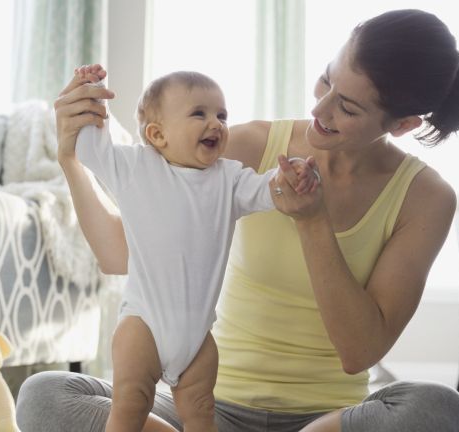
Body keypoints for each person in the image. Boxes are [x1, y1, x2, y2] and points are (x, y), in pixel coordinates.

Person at [17, 8, 459, 432]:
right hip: (206, 406)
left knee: (438, 412)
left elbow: (358, 352)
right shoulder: (246, 146)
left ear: (402, 125)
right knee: (45, 396)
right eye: (326, 80)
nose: (318, 110)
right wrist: (71, 161)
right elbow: (118, 254)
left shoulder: (424, 198)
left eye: (346, 107)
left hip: (326, 420)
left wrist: (312, 221)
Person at [72, 68, 318, 432]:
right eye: (199, 114)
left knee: (202, 410)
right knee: (130, 404)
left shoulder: (229, 178)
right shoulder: (136, 167)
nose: (216, 123)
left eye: (222, 115)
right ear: (158, 134)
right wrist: (92, 93)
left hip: (198, 335)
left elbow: (269, 191)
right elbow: (91, 149)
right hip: (144, 324)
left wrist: (290, 178)